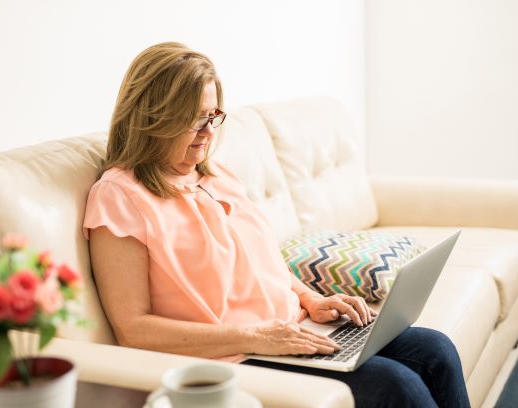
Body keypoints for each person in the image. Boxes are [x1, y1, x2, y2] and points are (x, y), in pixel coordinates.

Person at [83, 42, 470, 408]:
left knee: (435, 350)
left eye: (213, 116)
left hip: (293, 333)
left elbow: (264, 265)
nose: (208, 133)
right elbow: (134, 330)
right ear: (152, 118)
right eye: (194, 121)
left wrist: (311, 300)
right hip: (236, 358)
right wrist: (260, 338)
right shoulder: (119, 197)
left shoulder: (217, 176)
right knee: (396, 385)